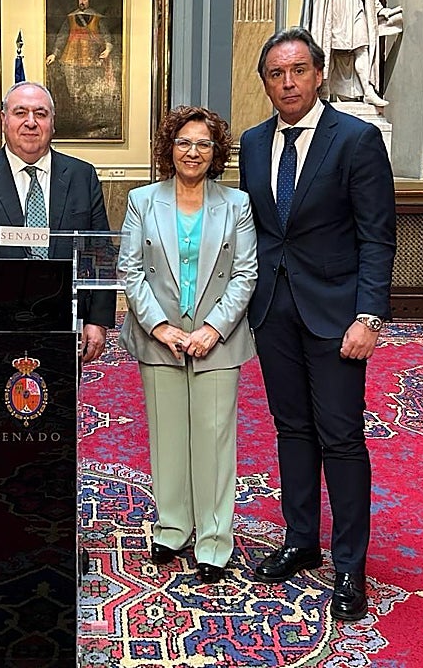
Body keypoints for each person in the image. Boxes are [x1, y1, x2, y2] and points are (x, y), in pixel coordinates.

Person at [239, 27, 396, 622]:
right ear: (265, 82)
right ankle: (301, 540)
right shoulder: (254, 143)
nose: (288, 83)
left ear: (319, 73)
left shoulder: (356, 139)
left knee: (341, 437)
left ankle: (350, 565)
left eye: (298, 70)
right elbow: (255, 229)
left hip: (337, 315)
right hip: (273, 312)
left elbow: (377, 236)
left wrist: (369, 316)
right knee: (292, 430)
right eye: (276, 74)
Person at [0, 80, 117, 577]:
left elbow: (99, 247)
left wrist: (98, 319)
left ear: (53, 122)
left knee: (54, 439)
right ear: (3, 120)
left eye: (40, 113)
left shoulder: (81, 175)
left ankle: (55, 535)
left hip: (61, 331)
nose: (30, 122)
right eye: (20, 113)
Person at [117, 106, 256, 585]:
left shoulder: (236, 204)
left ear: (215, 152)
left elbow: (245, 274)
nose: (192, 152)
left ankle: (214, 540)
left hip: (218, 339)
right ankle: (172, 528)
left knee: (214, 440)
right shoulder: (142, 201)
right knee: (168, 436)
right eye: (183, 142)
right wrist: (159, 327)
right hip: (160, 339)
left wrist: (213, 328)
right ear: (169, 148)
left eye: (202, 143)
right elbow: (130, 270)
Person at [45, 0, 120, 138]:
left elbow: (106, 36)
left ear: (89, 1)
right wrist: (55, 54)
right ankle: (78, 120)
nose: (82, 2)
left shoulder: (97, 18)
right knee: (74, 91)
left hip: (92, 61)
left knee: (90, 91)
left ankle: (90, 120)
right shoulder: (70, 18)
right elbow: (62, 37)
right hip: (71, 59)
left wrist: (107, 49)